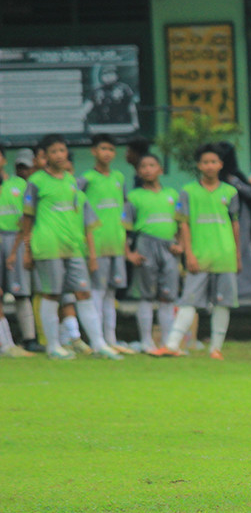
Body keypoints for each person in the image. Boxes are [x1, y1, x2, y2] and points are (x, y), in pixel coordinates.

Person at [18, 134, 121, 360]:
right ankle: (54, 346)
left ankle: (99, 344)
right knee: (52, 294)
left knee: (83, 292)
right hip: (48, 247)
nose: (59, 155)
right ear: (44, 156)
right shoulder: (36, 183)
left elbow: (81, 216)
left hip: (73, 247)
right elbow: (27, 218)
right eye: (53, 151)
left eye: (62, 151)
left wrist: (88, 250)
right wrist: (27, 249)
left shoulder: (72, 182)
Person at [151, 143, 241, 360]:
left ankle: (216, 348)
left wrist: (237, 255)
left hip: (224, 255)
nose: (209, 166)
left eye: (213, 162)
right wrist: (188, 254)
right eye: (205, 162)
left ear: (220, 164)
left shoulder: (230, 192)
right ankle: (172, 344)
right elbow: (184, 225)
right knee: (188, 300)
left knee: (223, 302)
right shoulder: (188, 191)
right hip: (199, 255)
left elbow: (235, 224)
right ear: (199, 165)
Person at [78, 134, 136, 353]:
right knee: (97, 292)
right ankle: (97, 340)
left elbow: (123, 210)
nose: (107, 153)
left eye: (111, 149)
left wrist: (126, 245)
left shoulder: (119, 177)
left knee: (111, 293)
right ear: (94, 151)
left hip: (116, 245)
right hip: (96, 245)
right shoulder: (86, 179)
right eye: (103, 148)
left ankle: (111, 339)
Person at [125, 153, 181, 353]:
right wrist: (129, 253)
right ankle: (146, 341)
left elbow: (182, 224)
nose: (148, 169)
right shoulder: (134, 196)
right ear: (138, 171)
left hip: (169, 247)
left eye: (152, 165)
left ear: (161, 169)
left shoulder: (173, 195)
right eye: (143, 166)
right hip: (145, 245)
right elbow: (125, 228)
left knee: (168, 296)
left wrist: (180, 243)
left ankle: (167, 342)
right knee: (146, 296)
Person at [1, 145, 41, 354]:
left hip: (14, 238)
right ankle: (5, 342)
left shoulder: (19, 185)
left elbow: (26, 218)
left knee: (21, 291)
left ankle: (29, 338)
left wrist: (21, 247)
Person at [217, 141, 251, 300]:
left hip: (241, 217)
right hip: (221, 219)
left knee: (244, 249)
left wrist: (236, 184)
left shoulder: (235, 176)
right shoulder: (214, 179)